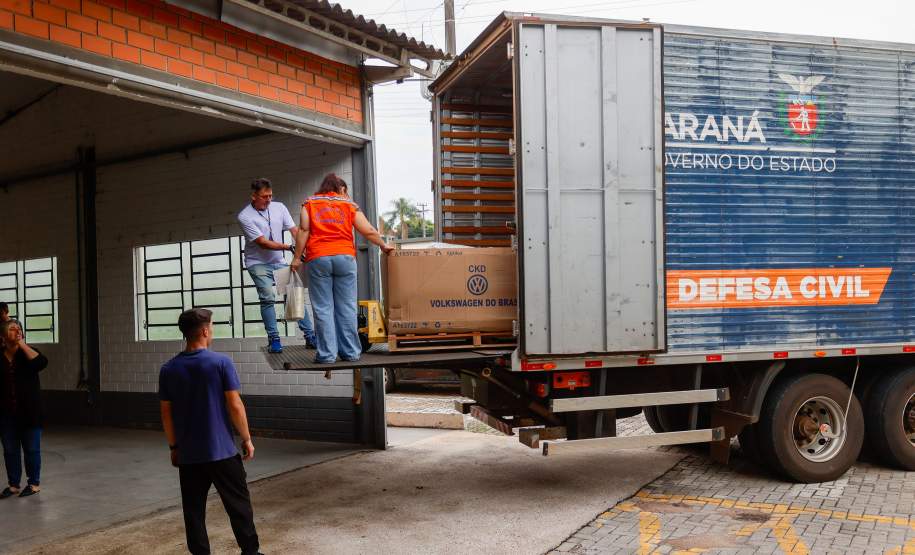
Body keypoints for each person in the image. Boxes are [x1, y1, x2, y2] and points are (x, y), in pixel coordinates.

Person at [159, 308, 261, 555]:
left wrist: (174, 447)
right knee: (238, 505)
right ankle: (250, 551)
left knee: (193, 511)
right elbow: (235, 405)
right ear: (205, 331)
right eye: (212, 326)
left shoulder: (168, 369)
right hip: (222, 451)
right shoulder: (221, 363)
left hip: (189, 454)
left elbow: (166, 414)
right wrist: (246, 438)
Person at [291, 174, 393, 364]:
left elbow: (304, 230)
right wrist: (383, 245)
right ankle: (351, 353)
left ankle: (327, 355)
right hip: (345, 258)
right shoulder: (348, 204)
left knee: (323, 308)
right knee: (346, 306)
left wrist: (297, 258)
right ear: (340, 189)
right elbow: (368, 230)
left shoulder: (310, 202)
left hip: (319, 258)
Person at [238, 177, 316, 353]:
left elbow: (295, 230)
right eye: (264, 196)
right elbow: (263, 243)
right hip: (257, 263)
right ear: (254, 196)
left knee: (293, 295)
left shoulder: (279, 207)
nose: (268, 200)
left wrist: (303, 248)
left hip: (278, 261)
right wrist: (289, 247)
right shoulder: (244, 216)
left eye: (270, 196)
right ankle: (274, 339)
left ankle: (310, 336)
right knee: (267, 297)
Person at [0, 318, 48, 499]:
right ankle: (13, 485)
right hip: (6, 414)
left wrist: (22, 344)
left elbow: (42, 363)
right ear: (3, 336)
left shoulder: (29, 354)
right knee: (10, 450)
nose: (16, 331)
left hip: (30, 413)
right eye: (12, 329)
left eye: (19, 328)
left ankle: (34, 484)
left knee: (32, 449)